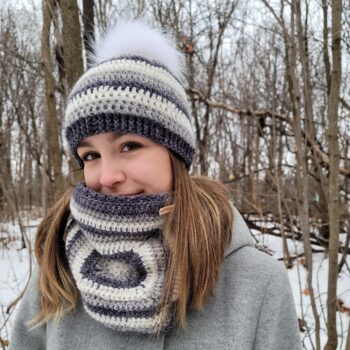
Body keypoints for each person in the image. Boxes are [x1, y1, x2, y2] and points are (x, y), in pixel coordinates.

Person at [9, 19, 301, 350]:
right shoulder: (57, 268)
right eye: (90, 155)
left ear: (175, 153)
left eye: (129, 146)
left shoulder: (256, 282)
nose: (107, 176)